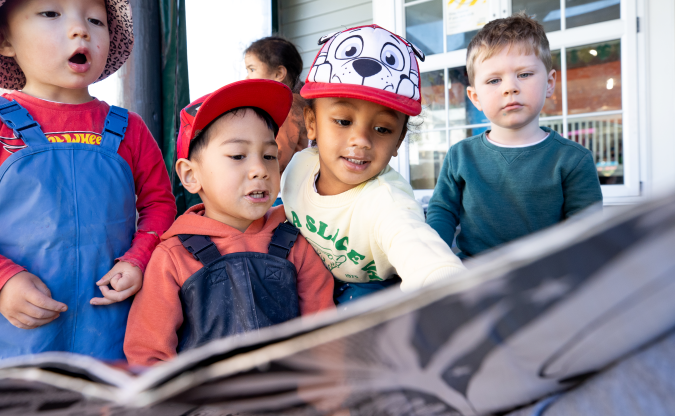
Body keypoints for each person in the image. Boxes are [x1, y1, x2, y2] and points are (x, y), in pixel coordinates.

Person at [0, 0, 176, 360]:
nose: (81, 30)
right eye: (51, 13)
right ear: (5, 39)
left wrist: (139, 258)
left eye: (95, 19)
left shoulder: (128, 128)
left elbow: (159, 205)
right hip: (16, 338)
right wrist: (4, 281)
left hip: (112, 329)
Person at [124, 80, 335, 366]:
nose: (260, 170)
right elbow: (148, 355)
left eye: (270, 156)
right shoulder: (173, 257)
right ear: (190, 176)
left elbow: (326, 338)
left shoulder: (295, 241)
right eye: (238, 156)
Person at [280, 24, 465, 305]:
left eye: (382, 129)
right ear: (311, 123)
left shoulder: (386, 202)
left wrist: (450, 293)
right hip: (306, 273)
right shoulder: (298, 168)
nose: (362, 140)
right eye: (343, 121)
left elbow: (419, 248)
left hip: (364, 289)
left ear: (399, 140)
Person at [426, 13, 603, 259]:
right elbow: (442, 210)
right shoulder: (461, 155)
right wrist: (432, 260)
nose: (510, 87)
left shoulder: (574, 160)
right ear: (475, 97)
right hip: (472, 276)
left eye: (524, 74)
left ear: (550, 82)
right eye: (494, 80)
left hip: (546, 277)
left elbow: (585, 233)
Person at [245, 36, 309, 173]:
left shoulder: (288, 108)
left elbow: (278, 157)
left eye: (252, 69)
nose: (247, 77)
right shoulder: (295, 102)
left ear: (279, 73)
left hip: (285, 188)